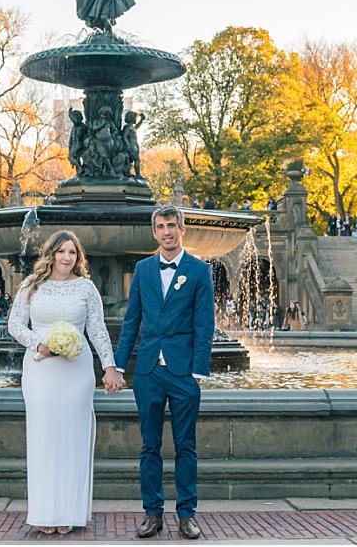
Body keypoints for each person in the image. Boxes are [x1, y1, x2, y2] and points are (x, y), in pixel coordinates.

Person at [112, 205, 214, 541]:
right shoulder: (142, 269)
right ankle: (152, 513)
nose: (166, 231)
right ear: (154, 232)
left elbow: (204, 324)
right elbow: (132, 321)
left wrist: (199, 370)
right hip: (147, 373)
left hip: (184, 372)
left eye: (172, 225)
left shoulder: (199, 271)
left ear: (182, 229)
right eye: (160, 227)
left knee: (186, 446)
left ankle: (187, 515)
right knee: (149, 446)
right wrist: (116, 365)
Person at [8, 230, 119, 535]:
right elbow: (15, 324)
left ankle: (69, 512)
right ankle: (44, 513)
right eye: (61, 252)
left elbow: (97, 330)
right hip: (40, 370)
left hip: (76, 372)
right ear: (51, 254)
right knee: (43, 440)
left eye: (73, 252)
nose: (67, 257)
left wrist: (110, 367)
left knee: (72, 440)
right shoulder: (31, 286)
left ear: (78, 257)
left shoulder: (86, 288)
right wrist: (38, 343)